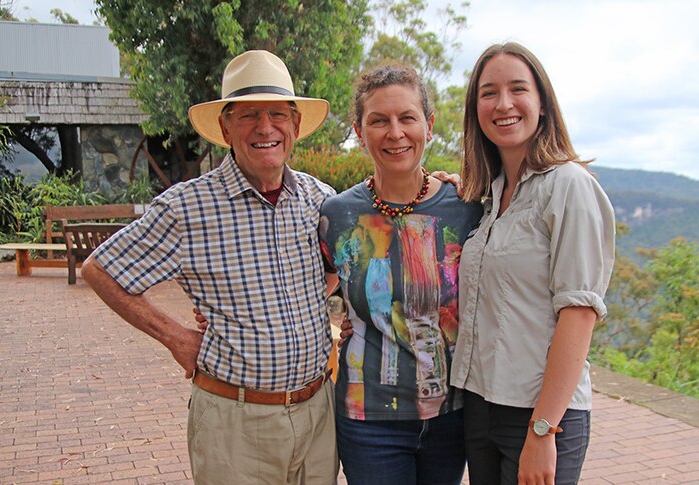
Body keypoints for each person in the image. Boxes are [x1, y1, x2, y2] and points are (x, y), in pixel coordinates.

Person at [81, 50, 339, 485]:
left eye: (278, 113)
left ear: (295, 125)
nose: (265, 127)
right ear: (225, 126)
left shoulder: (319, 199)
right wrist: (175, 337)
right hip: (233, 423)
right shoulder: (187, 207)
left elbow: (334, 271)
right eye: (248, 115)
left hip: (318, 415)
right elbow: (100, 269)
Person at [449, 42, 616, 485]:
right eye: (488, 93)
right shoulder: (491, 197)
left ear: (542, 104)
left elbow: (578, 315)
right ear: (476, 109)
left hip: (540, 415)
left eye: (517, 89)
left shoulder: (568, 187)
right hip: (480, 407)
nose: (503, 104)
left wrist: (543, 429)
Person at [319, 64, 483, 485]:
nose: (395, 133)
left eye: (407, 118)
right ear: (359, 130)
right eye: (379, 120)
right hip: (366, 415)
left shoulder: (466, 209)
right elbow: (303, 289)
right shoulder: (337, 216)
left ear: (428, 125)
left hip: (451, 416)